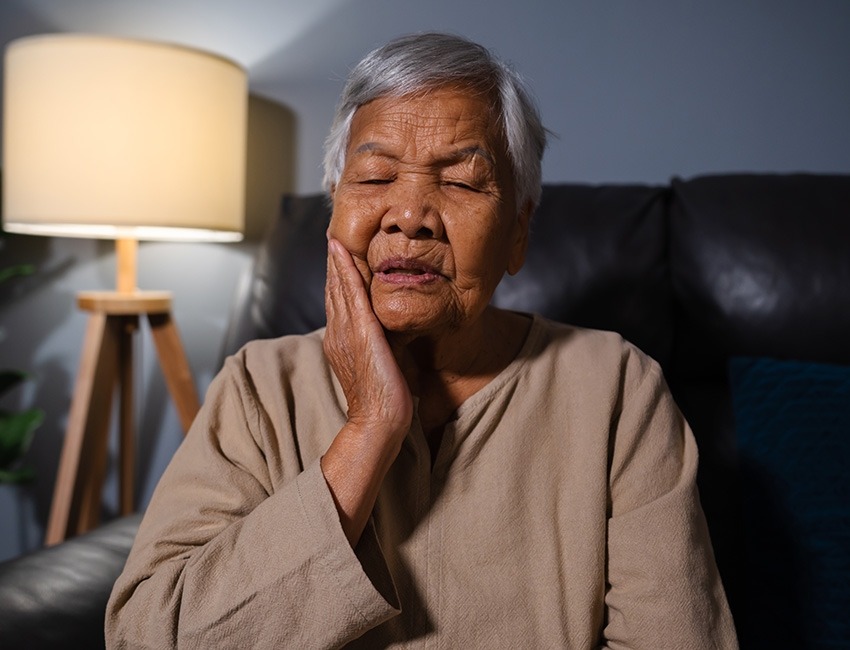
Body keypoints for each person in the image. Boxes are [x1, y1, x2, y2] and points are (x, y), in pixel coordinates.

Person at [106, 32, 738, 648]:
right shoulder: (259, 385)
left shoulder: (617, 388)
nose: (409, 214)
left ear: (519, 231)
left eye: (461, 182)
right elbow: (147, 636)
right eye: (375, 178)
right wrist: (369, 429)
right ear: (335, 207)